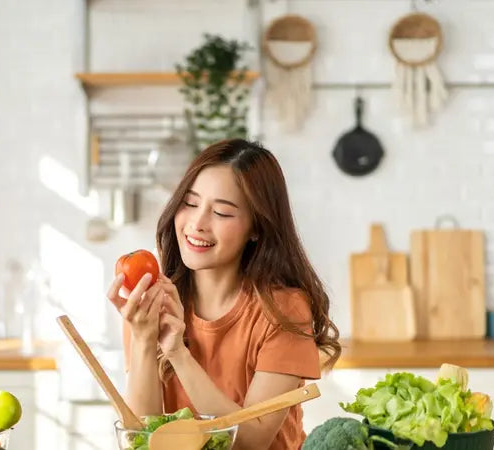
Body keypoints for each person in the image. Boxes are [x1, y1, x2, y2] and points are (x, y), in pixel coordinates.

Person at [107, 138, 341, 450]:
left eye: (221, 212)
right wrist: (144, 339)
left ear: (256, 228)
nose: (197, 223)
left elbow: (252, 442)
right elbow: (142, 438)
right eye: (190, 204)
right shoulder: (153, 301)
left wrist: (178, 352)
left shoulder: (283, 310)